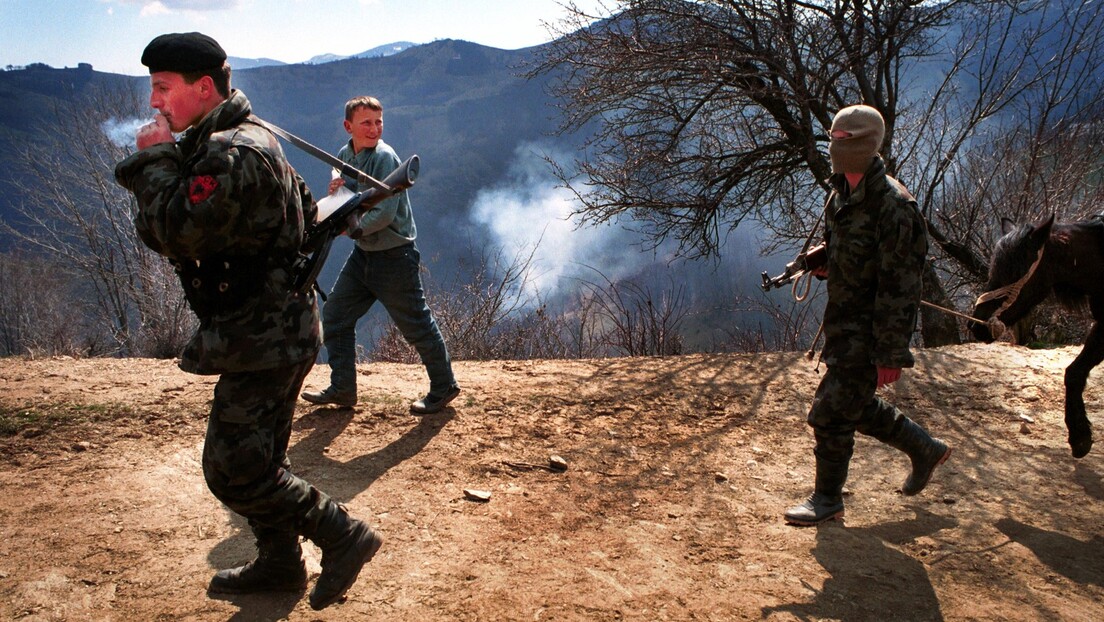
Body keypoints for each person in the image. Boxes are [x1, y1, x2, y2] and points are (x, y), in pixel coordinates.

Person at [114, 32, 381, 610]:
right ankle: (281, 563)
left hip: (264, 334)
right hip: (276, 326)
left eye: (163, 88)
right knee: (262, 459)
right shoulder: (234, 139)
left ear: (203, 87)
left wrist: (153, 160)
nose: (155, 101)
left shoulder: (229, 152)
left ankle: (343, 535)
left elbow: (175, 231)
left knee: (233, 470)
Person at [783, 104, 952, 526]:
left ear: (866, 144)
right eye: (833, 140)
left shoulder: (895, 206)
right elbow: (851, 253)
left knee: (830, 411)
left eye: (844, 141)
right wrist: (823, 261)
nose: (835, 148)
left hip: (871, 330)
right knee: (855, 405)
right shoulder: (841, 193)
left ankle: (827, 500)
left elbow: (902, 286)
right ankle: (924, 448)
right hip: (843, 323)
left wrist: (891, 353)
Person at [301, 96, 460, 413]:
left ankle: (444, 387)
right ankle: (343, 388)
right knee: (336, 317)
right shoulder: (347, 154)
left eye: (378, 122)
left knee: (416, 324)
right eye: (366, 123)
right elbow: (349, 197)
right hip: (365, 256)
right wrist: (337, 191)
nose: (374, 129)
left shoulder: (386, 158)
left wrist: (351, 230)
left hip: (393, 256)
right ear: (349, 126)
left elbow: (384, 213)